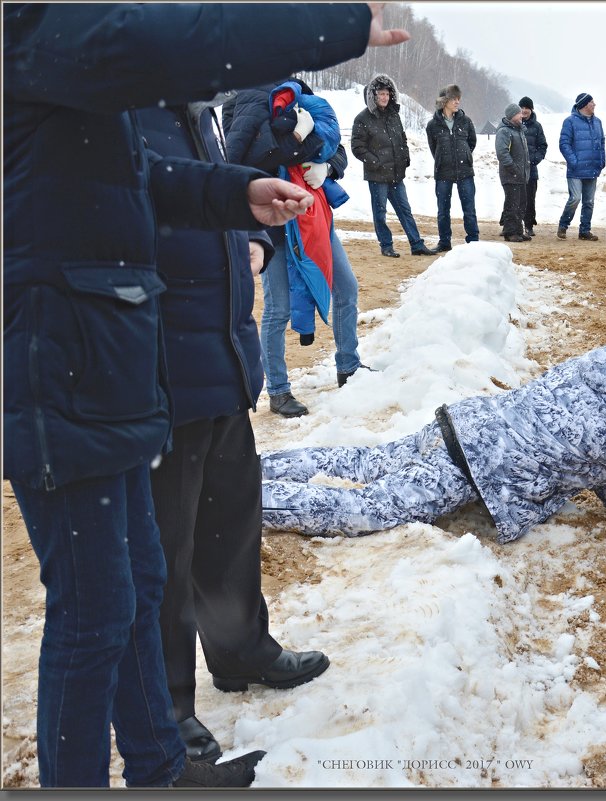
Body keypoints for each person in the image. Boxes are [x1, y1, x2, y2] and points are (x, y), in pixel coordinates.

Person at [3, 2, 407, 787]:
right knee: (91, 616)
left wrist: (235, 198)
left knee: (139, 584)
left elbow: (143, 178)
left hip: (109, 360)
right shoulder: (35, 27)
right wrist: (341, 24)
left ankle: (161, 767)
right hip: (60, 368)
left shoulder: (75, 60)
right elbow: (180, 38)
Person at [133, 99, 332, 766]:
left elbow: (220, 201)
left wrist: (252, 239)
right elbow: (137, 212)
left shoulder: (194, 109)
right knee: (165, 552)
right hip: (164, 369)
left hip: (220, 358)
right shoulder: (120, 104)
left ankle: (240, 648)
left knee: (230, 521)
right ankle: (168, 710)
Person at [259, 338, 606, 542]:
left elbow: (578, 439)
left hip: (464, 423)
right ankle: (243, 499)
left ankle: (254, 465)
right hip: (475, 465)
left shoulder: (602, 362)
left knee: (367, 461)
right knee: (369, 510)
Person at [223, 79, 369, 416]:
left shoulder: (300, 94)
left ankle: (349, 367)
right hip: (273, 224)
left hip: (313, 217)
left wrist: (327, 166)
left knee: (346, 288)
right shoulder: (245, 98)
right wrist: (300, 139)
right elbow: (249, 157)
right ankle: (277, 390)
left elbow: (338, 148)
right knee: (278, 308)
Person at [351, 73, 436, 258]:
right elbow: (357, 147)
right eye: (381, 94)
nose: (384, 97)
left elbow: (402, 139)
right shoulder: (362, 118)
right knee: (380, 212)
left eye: (387, 94)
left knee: (405, 210)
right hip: (377, 175)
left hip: (397, 173)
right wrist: (376, 161)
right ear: (373, 95)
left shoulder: (393, 115)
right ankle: (386, 245)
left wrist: (405, 157)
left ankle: (416, 244)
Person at [426, 83, 479, 252]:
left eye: (458, 99)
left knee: (469, 209)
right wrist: (444, 159)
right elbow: (433, 148)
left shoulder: (466, 121)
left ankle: (473, 241)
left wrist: (464, 156)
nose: (457, 102)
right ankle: (444, 242)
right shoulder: (432, 125)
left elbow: (472, 142)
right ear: (444, 101)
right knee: (443, 210)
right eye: (453, 99)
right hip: (443, 172)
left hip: (465, 172)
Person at [557, 92, 605, 241]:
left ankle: (585, 231)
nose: (594, 104)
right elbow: (564, 144)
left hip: (592, 167)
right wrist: (574, 161)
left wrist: (602, 160)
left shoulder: (598, 122)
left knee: (589, 202)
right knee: (575, 198)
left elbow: (602, 142)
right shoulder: (569, 122)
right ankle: (563, 225)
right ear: (584, 105)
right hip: (576, 169)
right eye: (592, 102)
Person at [496, 102, 530, 242]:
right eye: (518, 113)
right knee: (512, 204)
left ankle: (518, 230)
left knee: (521, 204)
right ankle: (510, 233)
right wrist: (514, 169)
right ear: (511, 116)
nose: (521, 115)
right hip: (511, 176)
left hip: (521, 175)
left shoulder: (519, 130)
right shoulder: (504, 131)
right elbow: (502, 153)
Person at [518, 97, 548, 237]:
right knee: (514, 197)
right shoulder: (514, 124)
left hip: (531, 169)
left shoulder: (537, 126)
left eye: (527, 108)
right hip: (515, 169)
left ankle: (529, 225)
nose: (524, 111)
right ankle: (511, 224)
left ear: (531, 110)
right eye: (522, 108)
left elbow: (543, 146)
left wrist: (534, 160)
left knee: (530, 198)